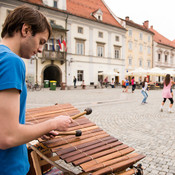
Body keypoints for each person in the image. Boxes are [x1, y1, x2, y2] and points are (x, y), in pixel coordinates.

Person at [0, 6, 73, 175]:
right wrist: (53, 123)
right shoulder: (11, 61)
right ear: (26, 30)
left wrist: (38, 128)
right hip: (8, 168)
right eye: (41, 41)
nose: (40, 49)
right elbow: (7, 136)